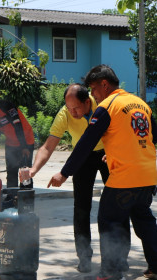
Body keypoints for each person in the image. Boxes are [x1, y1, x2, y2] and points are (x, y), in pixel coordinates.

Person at [45, 65, 157, 280]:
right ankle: (155, 265)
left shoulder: (107, 106)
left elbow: (86, 143)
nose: (93, 94)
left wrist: (64, 173)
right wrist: (116, 152)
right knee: (144, 220)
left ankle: (110, 273)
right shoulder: (141, 104)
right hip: (147, 175)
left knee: (109, 220)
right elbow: (149, 136)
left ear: (104, 85)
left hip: (124, 177)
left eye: (94, 89)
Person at [21, 83, 129, 273]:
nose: (72, 112)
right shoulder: (64, 114)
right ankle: (84, 256)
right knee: (81, 207)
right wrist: (34, 169)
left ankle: (120, 256)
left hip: (108, 154)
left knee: (118, 203)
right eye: (68, 108)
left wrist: (117, 153)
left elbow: (123, 132)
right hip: (82, 157)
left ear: (88, 102)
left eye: (76, 108)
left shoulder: (102, 106)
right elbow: (48, 146)